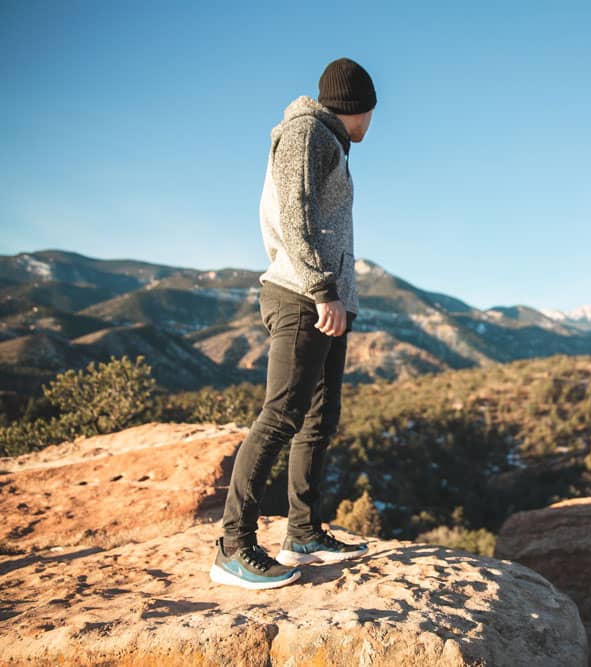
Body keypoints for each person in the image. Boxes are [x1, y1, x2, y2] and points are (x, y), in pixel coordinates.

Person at [209, 57, 377, 590]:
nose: (372, 121)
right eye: (371, 111)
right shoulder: (306, 133)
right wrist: (323, 290)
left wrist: (339, 297)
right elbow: (294, 215)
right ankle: (233, 547)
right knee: (281, 416)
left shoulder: (328, 140)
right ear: (357, 107)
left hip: (328, 302)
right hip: (301, 297)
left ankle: (302, 532)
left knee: (318, 420)